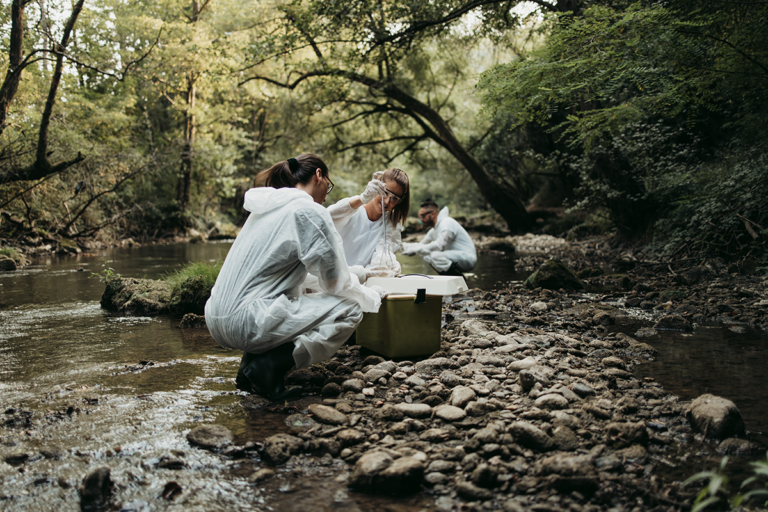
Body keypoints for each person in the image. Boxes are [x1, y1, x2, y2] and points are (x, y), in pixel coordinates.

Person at [204, 154, 387, 401]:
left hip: (216, 318)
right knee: (351, 308)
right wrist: (371, 296)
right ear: (319, 175)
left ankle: (247, 371)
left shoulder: (267, 208)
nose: (327, 194)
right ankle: (269, 366)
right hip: (247, 322)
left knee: (296, 294)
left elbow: (306, 278)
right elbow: (335, 283)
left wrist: (362, 273)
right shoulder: (309, 210)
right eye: (328, 185)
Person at [326, 168, 410, 278]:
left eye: (395, 198)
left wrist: (388, 262)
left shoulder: (392, 224)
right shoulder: (353, 208)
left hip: (360, 284)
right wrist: (362, 198)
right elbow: (324, 218)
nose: (387, 201)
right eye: (385, 192)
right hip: (331, 278)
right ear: (376, 186)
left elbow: (380, 256)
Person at [402, 199, 477, 274]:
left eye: (423, 216)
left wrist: (415, 251)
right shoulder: (434, 230)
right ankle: (450, 277)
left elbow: (439, 246)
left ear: (432, 214)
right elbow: (421, 245)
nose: (421, 219)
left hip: (468, 258)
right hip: (456, 257)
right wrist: (401, 245)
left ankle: (458, 278)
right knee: (427, 256)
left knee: (435, 256)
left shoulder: (446, 223)